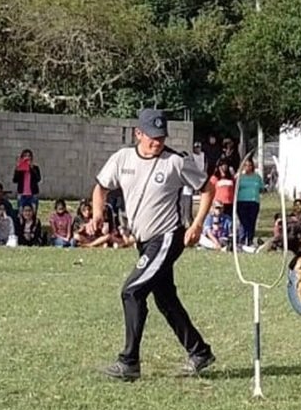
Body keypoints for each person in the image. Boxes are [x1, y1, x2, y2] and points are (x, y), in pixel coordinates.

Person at [88, 108, 217, 382]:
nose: (157, 142)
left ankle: (129, 362)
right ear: (138, 133)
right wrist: (97, 213)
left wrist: (196, 225)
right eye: (152, 137)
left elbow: (208, 188)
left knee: (132, 291)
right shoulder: (121, 158)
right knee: (165, 299)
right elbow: (101, 187)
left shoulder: (176, 162)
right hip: (144, 242)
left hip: (167, 237)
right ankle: (199, 351)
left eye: (161, 137)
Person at [235, 157, 263, 252]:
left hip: (254, 201)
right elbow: (235, 187)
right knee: (244, 222)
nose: (248, 167)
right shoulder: (239, 177)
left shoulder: (257, 177)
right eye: (246, 165)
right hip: (242, 201)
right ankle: (242, 240)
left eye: (250, 165)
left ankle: (250, 240)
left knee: (252, 221)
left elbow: (261, 188)